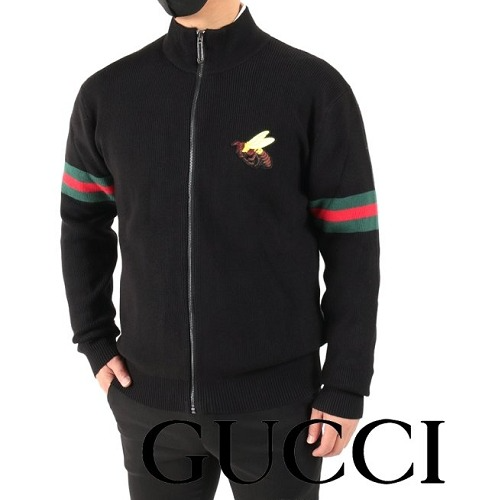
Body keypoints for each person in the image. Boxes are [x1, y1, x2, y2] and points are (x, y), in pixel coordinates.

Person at [59, 0, 380, 498]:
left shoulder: (312, 88)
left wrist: (345, 382)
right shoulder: (108, 93)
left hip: (278, 406)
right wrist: (95, 341)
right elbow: (82, 223)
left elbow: (352, 243)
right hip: (149, 405)